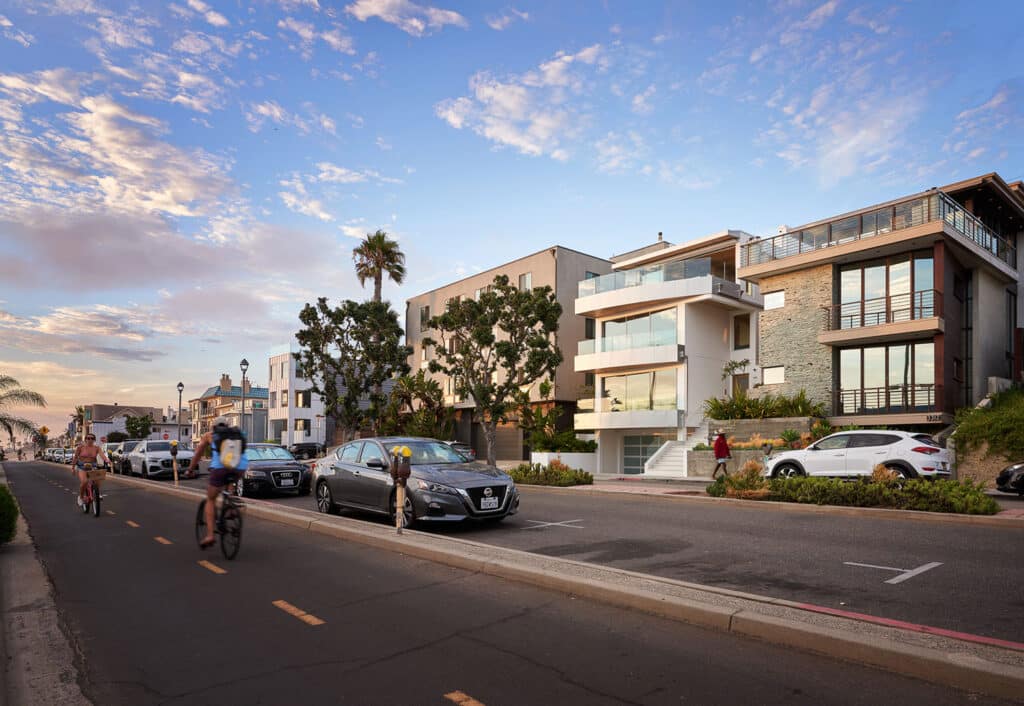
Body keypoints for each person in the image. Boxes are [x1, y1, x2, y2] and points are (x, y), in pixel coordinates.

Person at [187, 416, 248, 549]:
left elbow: (198, 454)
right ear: (227, 425)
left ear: (213, 427)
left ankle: (210, 535)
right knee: (229, 480)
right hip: (240, 467)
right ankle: (230, 506)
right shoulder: (238, 433)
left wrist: (191, 469)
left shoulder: (210, 435)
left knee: (210, 499)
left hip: (220, 468)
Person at [71, 434, 110, 509]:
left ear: (94, 440)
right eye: (88, 438)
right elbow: (75, 458)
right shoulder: (80, 447)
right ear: (85, 439)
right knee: (84, 481)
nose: (90, 440)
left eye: (92, 438)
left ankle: (96, 494)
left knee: (98, 479)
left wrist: (107, 460)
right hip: (82, 466)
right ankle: (81, 497)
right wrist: (72, 468)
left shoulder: (97, 448)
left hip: (93, 466)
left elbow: (102, 455)